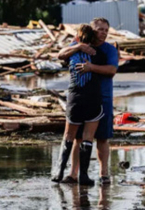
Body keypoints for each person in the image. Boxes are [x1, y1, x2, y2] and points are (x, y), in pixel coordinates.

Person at [57, 17, 118, 185]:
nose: (103, 33)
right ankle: (73, 174)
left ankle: (104, 173)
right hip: (81, 97)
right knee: (78, 138)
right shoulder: (79, 43)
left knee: (103, 138)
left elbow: (112, 70)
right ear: (92, 30)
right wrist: (78, 46)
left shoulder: (109, 50)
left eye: (106, 30)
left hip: (103, 98)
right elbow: (61, 55)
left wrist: (91, 68)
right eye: (100, 29)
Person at [51, 24, 106, 186]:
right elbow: (109, 70)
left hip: (75, 98)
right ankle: (83, 175)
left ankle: (59, 172)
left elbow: (60, 55)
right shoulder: (99, 54)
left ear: (77, 37)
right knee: (88, 137)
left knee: (68, 136)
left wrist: (77, 46)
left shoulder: (72, 53)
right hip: (93, 99)